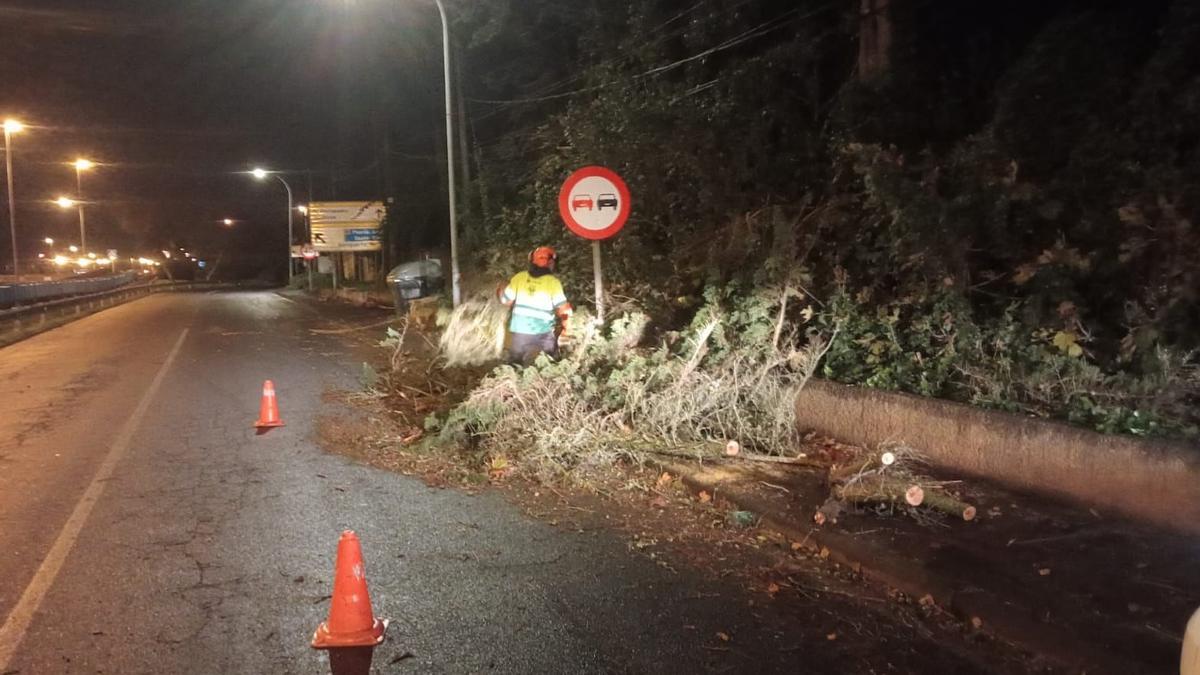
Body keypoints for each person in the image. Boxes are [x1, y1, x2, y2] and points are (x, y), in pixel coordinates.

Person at [497, 246, 573, 364]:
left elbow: (505, 301)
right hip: (544, 333)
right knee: (554, 363)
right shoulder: (553, 283)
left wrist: (500, 289)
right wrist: (566, 330)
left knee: (513, 366)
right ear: (551, 263)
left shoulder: (519, 278)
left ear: (532, 260)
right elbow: (564, 310)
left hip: (520, 332)